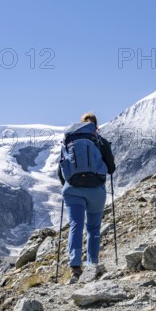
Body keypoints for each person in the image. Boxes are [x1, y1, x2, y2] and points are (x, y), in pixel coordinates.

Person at [58, 113, 115, 281]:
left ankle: (75, 268)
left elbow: (60, 170)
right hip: (96, 190)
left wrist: (70, 185)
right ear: (95, 127)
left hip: (73, 189)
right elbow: (111, 169)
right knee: (93, 228)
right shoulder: (101, 141)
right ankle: (92, 265)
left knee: (76, 225)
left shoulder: (69, 140)